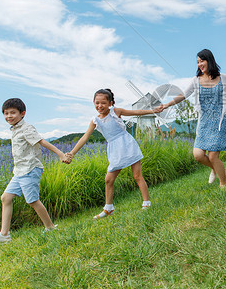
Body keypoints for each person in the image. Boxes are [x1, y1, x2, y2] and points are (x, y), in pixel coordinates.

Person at [0, 98, 68, 245]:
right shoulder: (15, 129)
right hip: (19, 171)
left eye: (13, 113)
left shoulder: (26, 128)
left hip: (30, 169)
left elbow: (42, 141)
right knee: (6, 198)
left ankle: (50, 227)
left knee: (32, 200)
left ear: (22, 113)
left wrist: (60, 154)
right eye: (6, 113)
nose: (9, 116)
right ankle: (4, 235)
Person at [66, 89, 161, 219]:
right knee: (108, 179)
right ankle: (108, 208)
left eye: (103, 103)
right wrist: (72, 153)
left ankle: (146, 203)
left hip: (127, 144)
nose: (100, 106)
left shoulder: (115, 112)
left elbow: (136, 112)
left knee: (137, 175)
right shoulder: (95, 120)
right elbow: (85, 137)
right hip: (115, 150)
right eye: (97, 103)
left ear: (110, 103)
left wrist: (153, 111)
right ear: (93, 102)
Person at [160, 49, 226, 188]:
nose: (200, 64)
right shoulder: (196, 80)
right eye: (198, 62)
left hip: (219, 122)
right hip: (204, 122)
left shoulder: (222, 78)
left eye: (202, 61)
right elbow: (183, 95)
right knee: (198, 155)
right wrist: (167, 104)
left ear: (209, 60)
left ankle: (223, 184)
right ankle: (214, 168)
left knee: (213, 156)